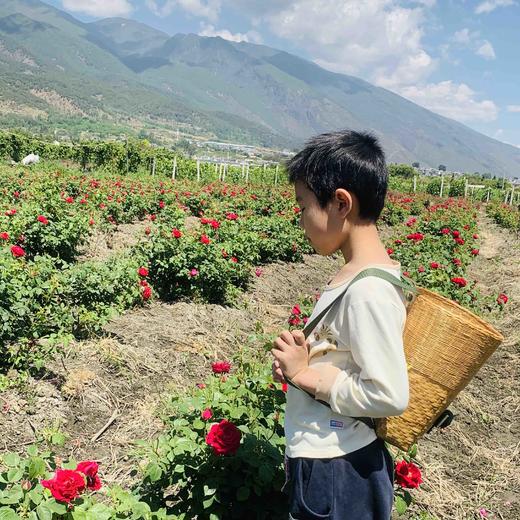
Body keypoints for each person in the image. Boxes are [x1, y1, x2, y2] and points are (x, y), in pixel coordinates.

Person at [271, 129, 409, 520]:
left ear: (341, 203)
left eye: (303, 206)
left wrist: (304, 375)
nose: (300, 219)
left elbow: (389, 394)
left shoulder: (368, 292)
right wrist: (299, 364)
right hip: (328, 456)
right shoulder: (355, 278)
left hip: (339, 467)